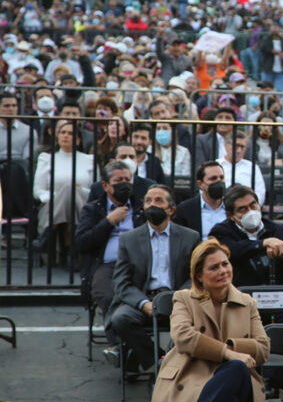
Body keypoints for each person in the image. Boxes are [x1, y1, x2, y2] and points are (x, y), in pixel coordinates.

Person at [150, 238, 270, 402]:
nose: (223, 271)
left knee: (237, 369)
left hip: (239, 380)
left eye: (225, 264)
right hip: (192, 377)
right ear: (199, 276)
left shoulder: (247, 302)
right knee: (227, 399)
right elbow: (182, 336)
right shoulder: (184, 299)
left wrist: (232, 349)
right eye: (214, 267)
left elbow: (263, 349)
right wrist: (228, 353)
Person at [108, 185, 201, 372]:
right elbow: (121, 281)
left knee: (197, 319)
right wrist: (143, 303)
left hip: (177, 298)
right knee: (120, 319)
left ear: (171, 210)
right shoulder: (129, 239)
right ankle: (160, 362)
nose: (152, 205)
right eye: (148, 201)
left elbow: (196, 277)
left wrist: (177, 298)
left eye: (159, 201)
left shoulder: (190, 237)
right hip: (144, 299)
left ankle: (166, 365)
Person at [75, 161, 147, 361]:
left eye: (128, 180)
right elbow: (82, 242)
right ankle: (122, 346)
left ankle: (122, 350)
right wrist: (108, 222)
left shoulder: (141, 207)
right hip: (106, 266)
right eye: (118, 181)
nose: (125, 184)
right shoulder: (93, 209)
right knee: (108, 297)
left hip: (137, 266)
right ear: (106, 185)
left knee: (137, 299)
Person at [208, 185, 283, 286]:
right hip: (239, 292)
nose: (250, 212)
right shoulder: (221, 232)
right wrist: (263, 243)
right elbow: (232, 251)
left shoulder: (278, 229)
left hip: (275, 292)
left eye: (253, 205)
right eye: (242, 209)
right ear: (231, 216)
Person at [33, 120, 94, 254]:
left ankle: (48, 234)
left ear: (78, 140)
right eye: (63, 132)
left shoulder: (89, 160)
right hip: (52, 205)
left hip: (82, 204)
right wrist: (60, 196)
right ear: (57, 137)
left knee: (69, 190)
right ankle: (72, 250)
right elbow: (38, 191)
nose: (66, 136)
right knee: (67, 191)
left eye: (71, 133)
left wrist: (75, 190)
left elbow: (95, 191)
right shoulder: (46, 159)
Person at [173, 162, 227, 241]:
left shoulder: (232, 206)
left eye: (221, 177)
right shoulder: (185, 210)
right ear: (200, 184)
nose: (219, 182)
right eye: (213, 178)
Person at [217, 130, 266, 204]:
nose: (239, 150)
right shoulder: (216, 165)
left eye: (242, 147)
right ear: (225, 145)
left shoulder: (252, 167)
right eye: (236, 146)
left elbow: (260, 193)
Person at [0, 92, 37, 161]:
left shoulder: (29, 131)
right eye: (6, 106)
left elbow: (28, 158)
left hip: (20, 169)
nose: (11, 109)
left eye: (14, 106)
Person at [259, 25, 283, 92]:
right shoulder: (266, 39)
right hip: (268, 68)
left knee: (279, 90)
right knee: (266, 89)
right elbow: (262, 48)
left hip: (281, 69)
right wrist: (272, 51)